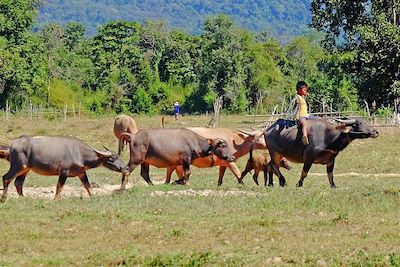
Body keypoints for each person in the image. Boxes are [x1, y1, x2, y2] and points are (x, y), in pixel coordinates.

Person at [286, 81, 311, 145]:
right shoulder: (297, 97)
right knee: (304, 123)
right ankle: (304, 136)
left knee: (316, 119)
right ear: (299, 90)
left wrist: (305, 96)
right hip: (300, 116)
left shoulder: (303, 97)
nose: (306, 91)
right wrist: (296, 103)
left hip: (306, 115)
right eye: (304, 90)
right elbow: (293, 106)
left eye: (306, 90)